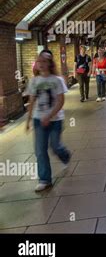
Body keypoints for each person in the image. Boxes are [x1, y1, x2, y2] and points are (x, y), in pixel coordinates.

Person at [26, 51, 71, 192]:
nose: (41, 64)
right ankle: (44, 179)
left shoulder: (57, 80)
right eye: (38, 62)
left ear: (49, 64)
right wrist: (28, 121)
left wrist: (50, 116)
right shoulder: (33, 81)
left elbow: (60, 101)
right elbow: (31, 101)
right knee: (40, 150)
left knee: (55, 146)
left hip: (55, 120)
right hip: (38, 120)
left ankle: (65, 156)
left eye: (44, 61)